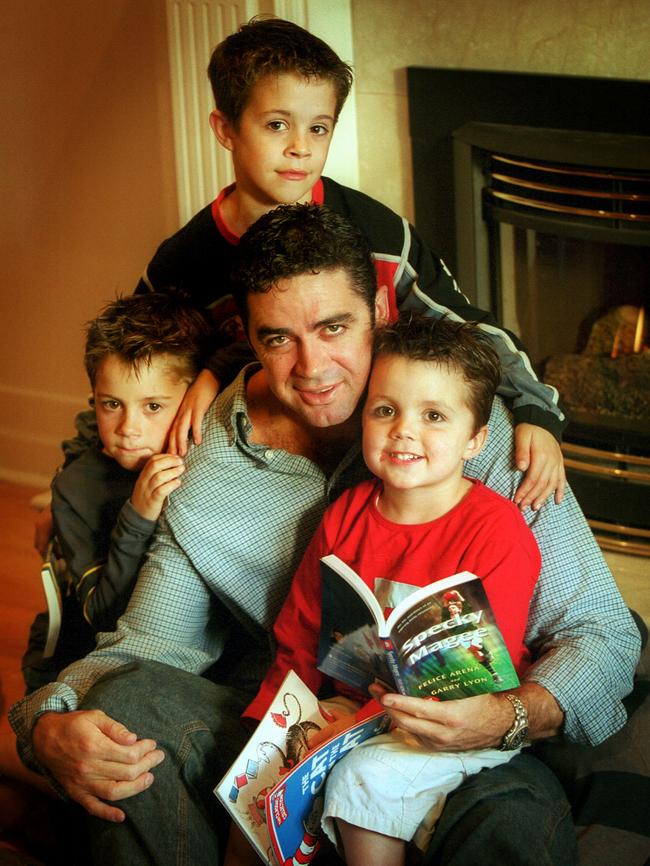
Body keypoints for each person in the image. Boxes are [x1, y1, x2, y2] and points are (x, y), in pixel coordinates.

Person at [9, 205, 640, 866]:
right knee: (131, 706)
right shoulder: (204, 459)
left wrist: (508, 716)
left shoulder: (468, 437)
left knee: (513, 818)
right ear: (246, 338)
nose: (312, 366)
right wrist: (44, 724)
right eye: (279, 337)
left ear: (380, 313)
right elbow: (150, 643)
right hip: (302, 714)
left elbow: (604, 632)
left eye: (334, 327)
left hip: (460, 739)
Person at [133, 16, 565, 510]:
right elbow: (125, 375)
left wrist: (537, 410)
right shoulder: (181, 264)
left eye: (318, 127)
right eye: (277, 124)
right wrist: (76, 490)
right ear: (225, 128)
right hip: (258, 474)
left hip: (383, 458)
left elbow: (467, 327)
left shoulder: (378, 233)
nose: (300, 147)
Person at [231, 315, 542, 866]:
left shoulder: (497, 529)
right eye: (385, 410)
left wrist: (367, 719)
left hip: (452, 725)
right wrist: (276, 725)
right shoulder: (345, 516)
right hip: (351, 708)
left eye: (434, 416)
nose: (403, 430)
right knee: (252, 782)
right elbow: (301, 631)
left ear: (475, 440)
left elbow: (488, 674)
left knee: (364, 778)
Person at [22, 293, 210, 692]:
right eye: (112, 404)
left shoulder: (207, 456)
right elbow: (102, 616)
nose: (128, 427)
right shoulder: (76, 488)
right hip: (95, 663)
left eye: (153, 406)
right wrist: (138, 517)